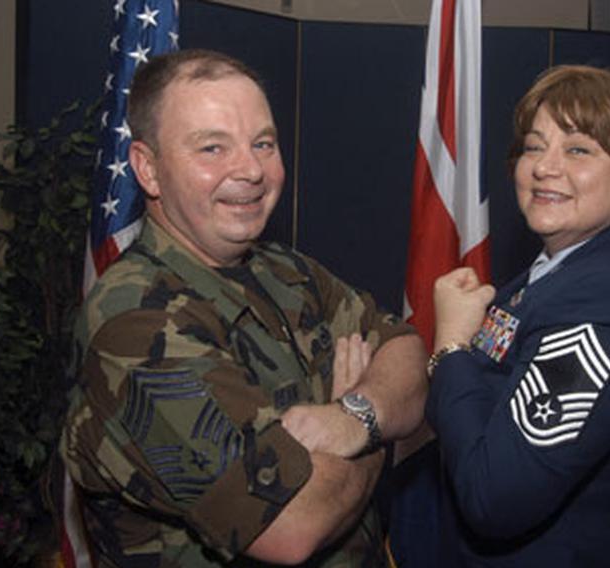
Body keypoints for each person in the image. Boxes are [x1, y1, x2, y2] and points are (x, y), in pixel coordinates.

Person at [59, 49, 427, 568]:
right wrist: (376, 436)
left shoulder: (284, 272)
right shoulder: (135, 326)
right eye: (212, 148)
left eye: (263, 143)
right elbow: (291, 524)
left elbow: (406, 348)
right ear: (147, 168)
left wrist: (354, 416)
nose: (251, 170)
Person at [425, 65, 610, 567]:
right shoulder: (568, 270)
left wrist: (450, 349)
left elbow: (495, 497)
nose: (544, 167)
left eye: (579, 150)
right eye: (534, 146)